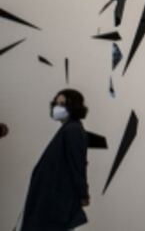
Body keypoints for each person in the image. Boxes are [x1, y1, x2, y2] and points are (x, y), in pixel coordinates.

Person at [21, 89, 90, 231]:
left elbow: (77, 166)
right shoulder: (68, 129)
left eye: (62, 104)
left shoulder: (72, 130)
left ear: (74, 107)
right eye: (56, 103)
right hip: (51, 201)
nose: (57, 107)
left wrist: (83, 194)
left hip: (55, 203)